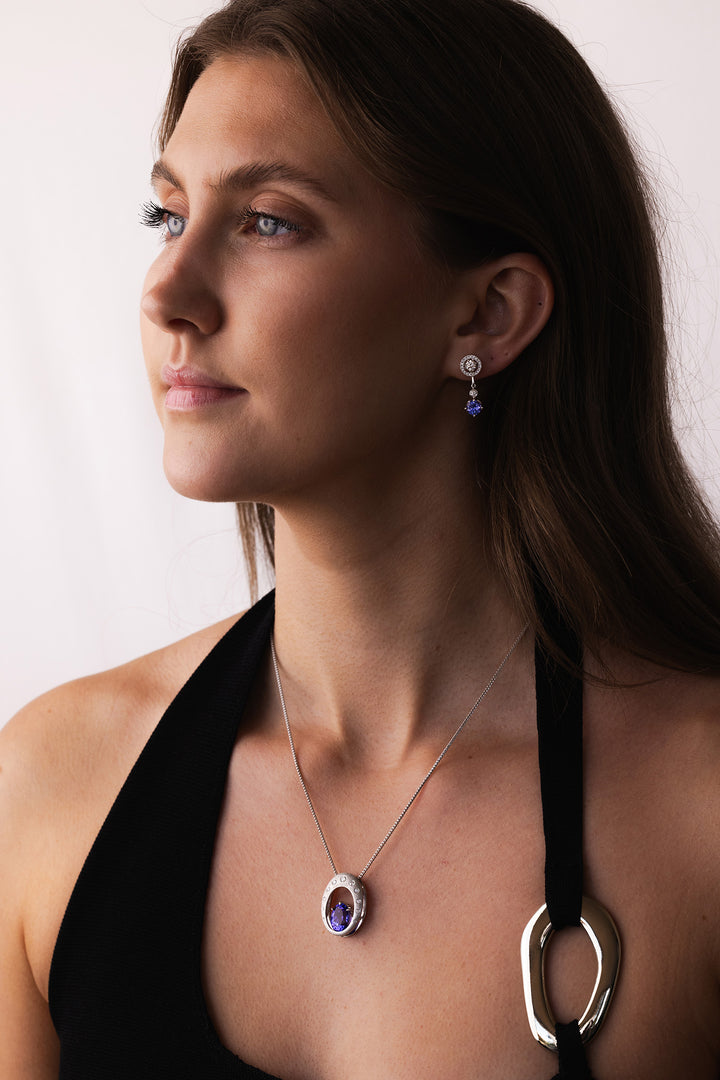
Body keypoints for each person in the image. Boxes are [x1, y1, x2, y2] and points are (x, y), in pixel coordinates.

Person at [1, 0, 719, 1077]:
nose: (168, 293)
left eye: (268, 221)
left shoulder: (698, 811)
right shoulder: (54, 787)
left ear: (487, 316)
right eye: (168, 215)